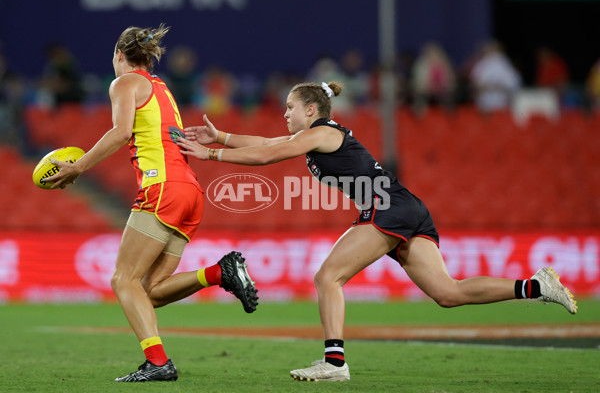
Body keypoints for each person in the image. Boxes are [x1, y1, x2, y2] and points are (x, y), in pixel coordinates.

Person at [177, 81, 578, 382]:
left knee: (327, 276)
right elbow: (268, 141)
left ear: (311, 108)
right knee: (447, 293)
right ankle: (536, 286)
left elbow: (266, 154)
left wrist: (211, 154)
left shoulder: (322, 132)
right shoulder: (315, 136)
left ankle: (334, 363)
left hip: (387, 207)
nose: (285, 113)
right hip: (405, 206)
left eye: (290, 107)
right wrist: (223, 136)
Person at [43, 24, 259, 382]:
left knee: (122, 279)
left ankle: (159, 364)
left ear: (118, 55)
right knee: (150, 293)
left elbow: (121, 131)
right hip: (190, 191)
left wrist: (78, 167)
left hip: (163, 188)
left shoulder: (124, 83)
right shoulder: (161, 87)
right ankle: (220, 272)